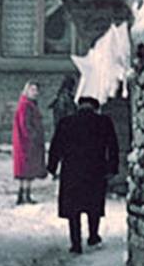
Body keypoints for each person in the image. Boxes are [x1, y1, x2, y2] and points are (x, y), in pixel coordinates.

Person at [47, 96, 119, 254]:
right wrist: (112, 168)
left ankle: (76, 243)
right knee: (93, 205)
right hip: (95, 170)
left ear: (78, 106)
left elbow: (56, 146)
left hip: (72, 171)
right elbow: (113, 146)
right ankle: (93, 236)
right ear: (95, 108)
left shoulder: (66, 122)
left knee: (73, 209)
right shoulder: (103, 122)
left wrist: (52, 167)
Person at [12, 80, 47, 205]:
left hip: (27, 143)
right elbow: (25, 125)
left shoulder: (28, 104)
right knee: (27, 171)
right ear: (27, 90)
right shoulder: (25, 105)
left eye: (37, 90)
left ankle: (23, 195)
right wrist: (34, 136)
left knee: (26, 171)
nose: (35, 93)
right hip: (27, 144)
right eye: (33, 90)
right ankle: (25, 195)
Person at [48, 74, 78, 179]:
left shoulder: (61, 98)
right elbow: (68, 114)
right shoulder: (66, 99)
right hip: (66, 130)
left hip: (60, 128)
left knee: (60, 151)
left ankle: (56, 170)